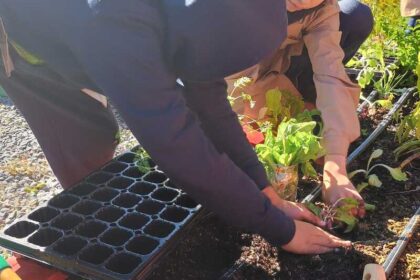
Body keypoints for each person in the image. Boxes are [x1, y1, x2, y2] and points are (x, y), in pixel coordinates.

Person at [0, 4, 351, 276]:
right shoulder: (115, 22)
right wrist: (282, 231)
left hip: (96, 34)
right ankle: (80, 262)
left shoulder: (197, 15)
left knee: (106, 133)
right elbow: (173, 140)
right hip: (30, 46)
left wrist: (265, 191)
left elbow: (209, 101)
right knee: (89, 157)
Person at [227, 0, 373, 216]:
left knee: (355, 15)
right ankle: (302, 104)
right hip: (226, 71)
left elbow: (330, 74)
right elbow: (234, 88)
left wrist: (335, 166)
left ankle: (304, 98)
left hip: (279, 56)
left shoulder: (321, 7)